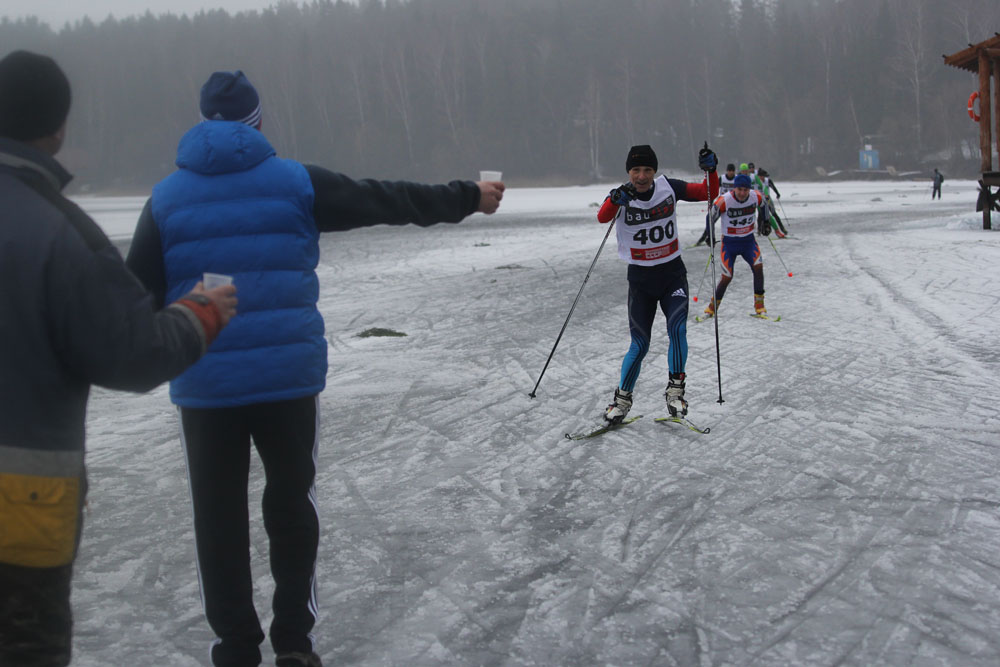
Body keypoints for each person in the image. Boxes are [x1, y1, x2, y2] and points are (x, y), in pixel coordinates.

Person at [125, 70, 504, 667]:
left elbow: (135, 301)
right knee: (291, 505)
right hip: (287, 380)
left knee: (217, 518)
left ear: (201, 122)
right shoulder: (295, 182)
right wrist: (466, 196)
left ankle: (236, 649)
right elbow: (387, 197)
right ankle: (294, 643)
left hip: (206, 385)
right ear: (256, 122)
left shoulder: (165, 199)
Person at [0, 50, 237, 667]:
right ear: (58, 129)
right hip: (19, 511)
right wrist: (201, 314)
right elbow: (131, 354)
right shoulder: (61, 234)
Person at [596, 143, 719, 423]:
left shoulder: (669, 187)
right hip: (641, 280)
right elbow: (602, 216)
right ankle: (621, 401)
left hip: (672, 275)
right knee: (640, 344)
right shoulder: (621, 195)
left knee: (678, 330)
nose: (642, 176)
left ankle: (676, 393)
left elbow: (708, 193)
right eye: (636, 170)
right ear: (629, 172)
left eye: (648, 170)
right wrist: (615, 199)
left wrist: (711, 171)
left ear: (655, 171)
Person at [699, 173, 771, 320]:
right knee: (727, 277)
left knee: (758, 268)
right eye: (739, 189)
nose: (743, 193)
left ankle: (760, 306)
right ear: (734, 188)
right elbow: (710, 217)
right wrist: (710, 235)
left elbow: (764, 205)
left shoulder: (755, 196)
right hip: (729, 244)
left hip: (748, 242)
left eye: (745, 190)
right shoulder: (724, 200)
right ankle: (711, 308)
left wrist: (765, 222)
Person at [695, 162, 735, 246]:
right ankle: (705, 237)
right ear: (727, 171)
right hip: (722, 204)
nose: (731, 172)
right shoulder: (722, 178)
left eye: (732, 171)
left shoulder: (737, 179)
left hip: (733, 205)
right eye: (729, 170)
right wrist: (711, 203)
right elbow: (714, 190)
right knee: (711, 220)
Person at [757, 167, 787, 236]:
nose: (761, 178)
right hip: (760, 200)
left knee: (774, 214)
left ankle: (782, 229)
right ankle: (759, 230)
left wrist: (777, 194)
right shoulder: (756, 181)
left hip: (768, 199)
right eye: (760, 176)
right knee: (760, 215)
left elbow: (773, 187)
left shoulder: (768, 181)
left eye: (762, 176)